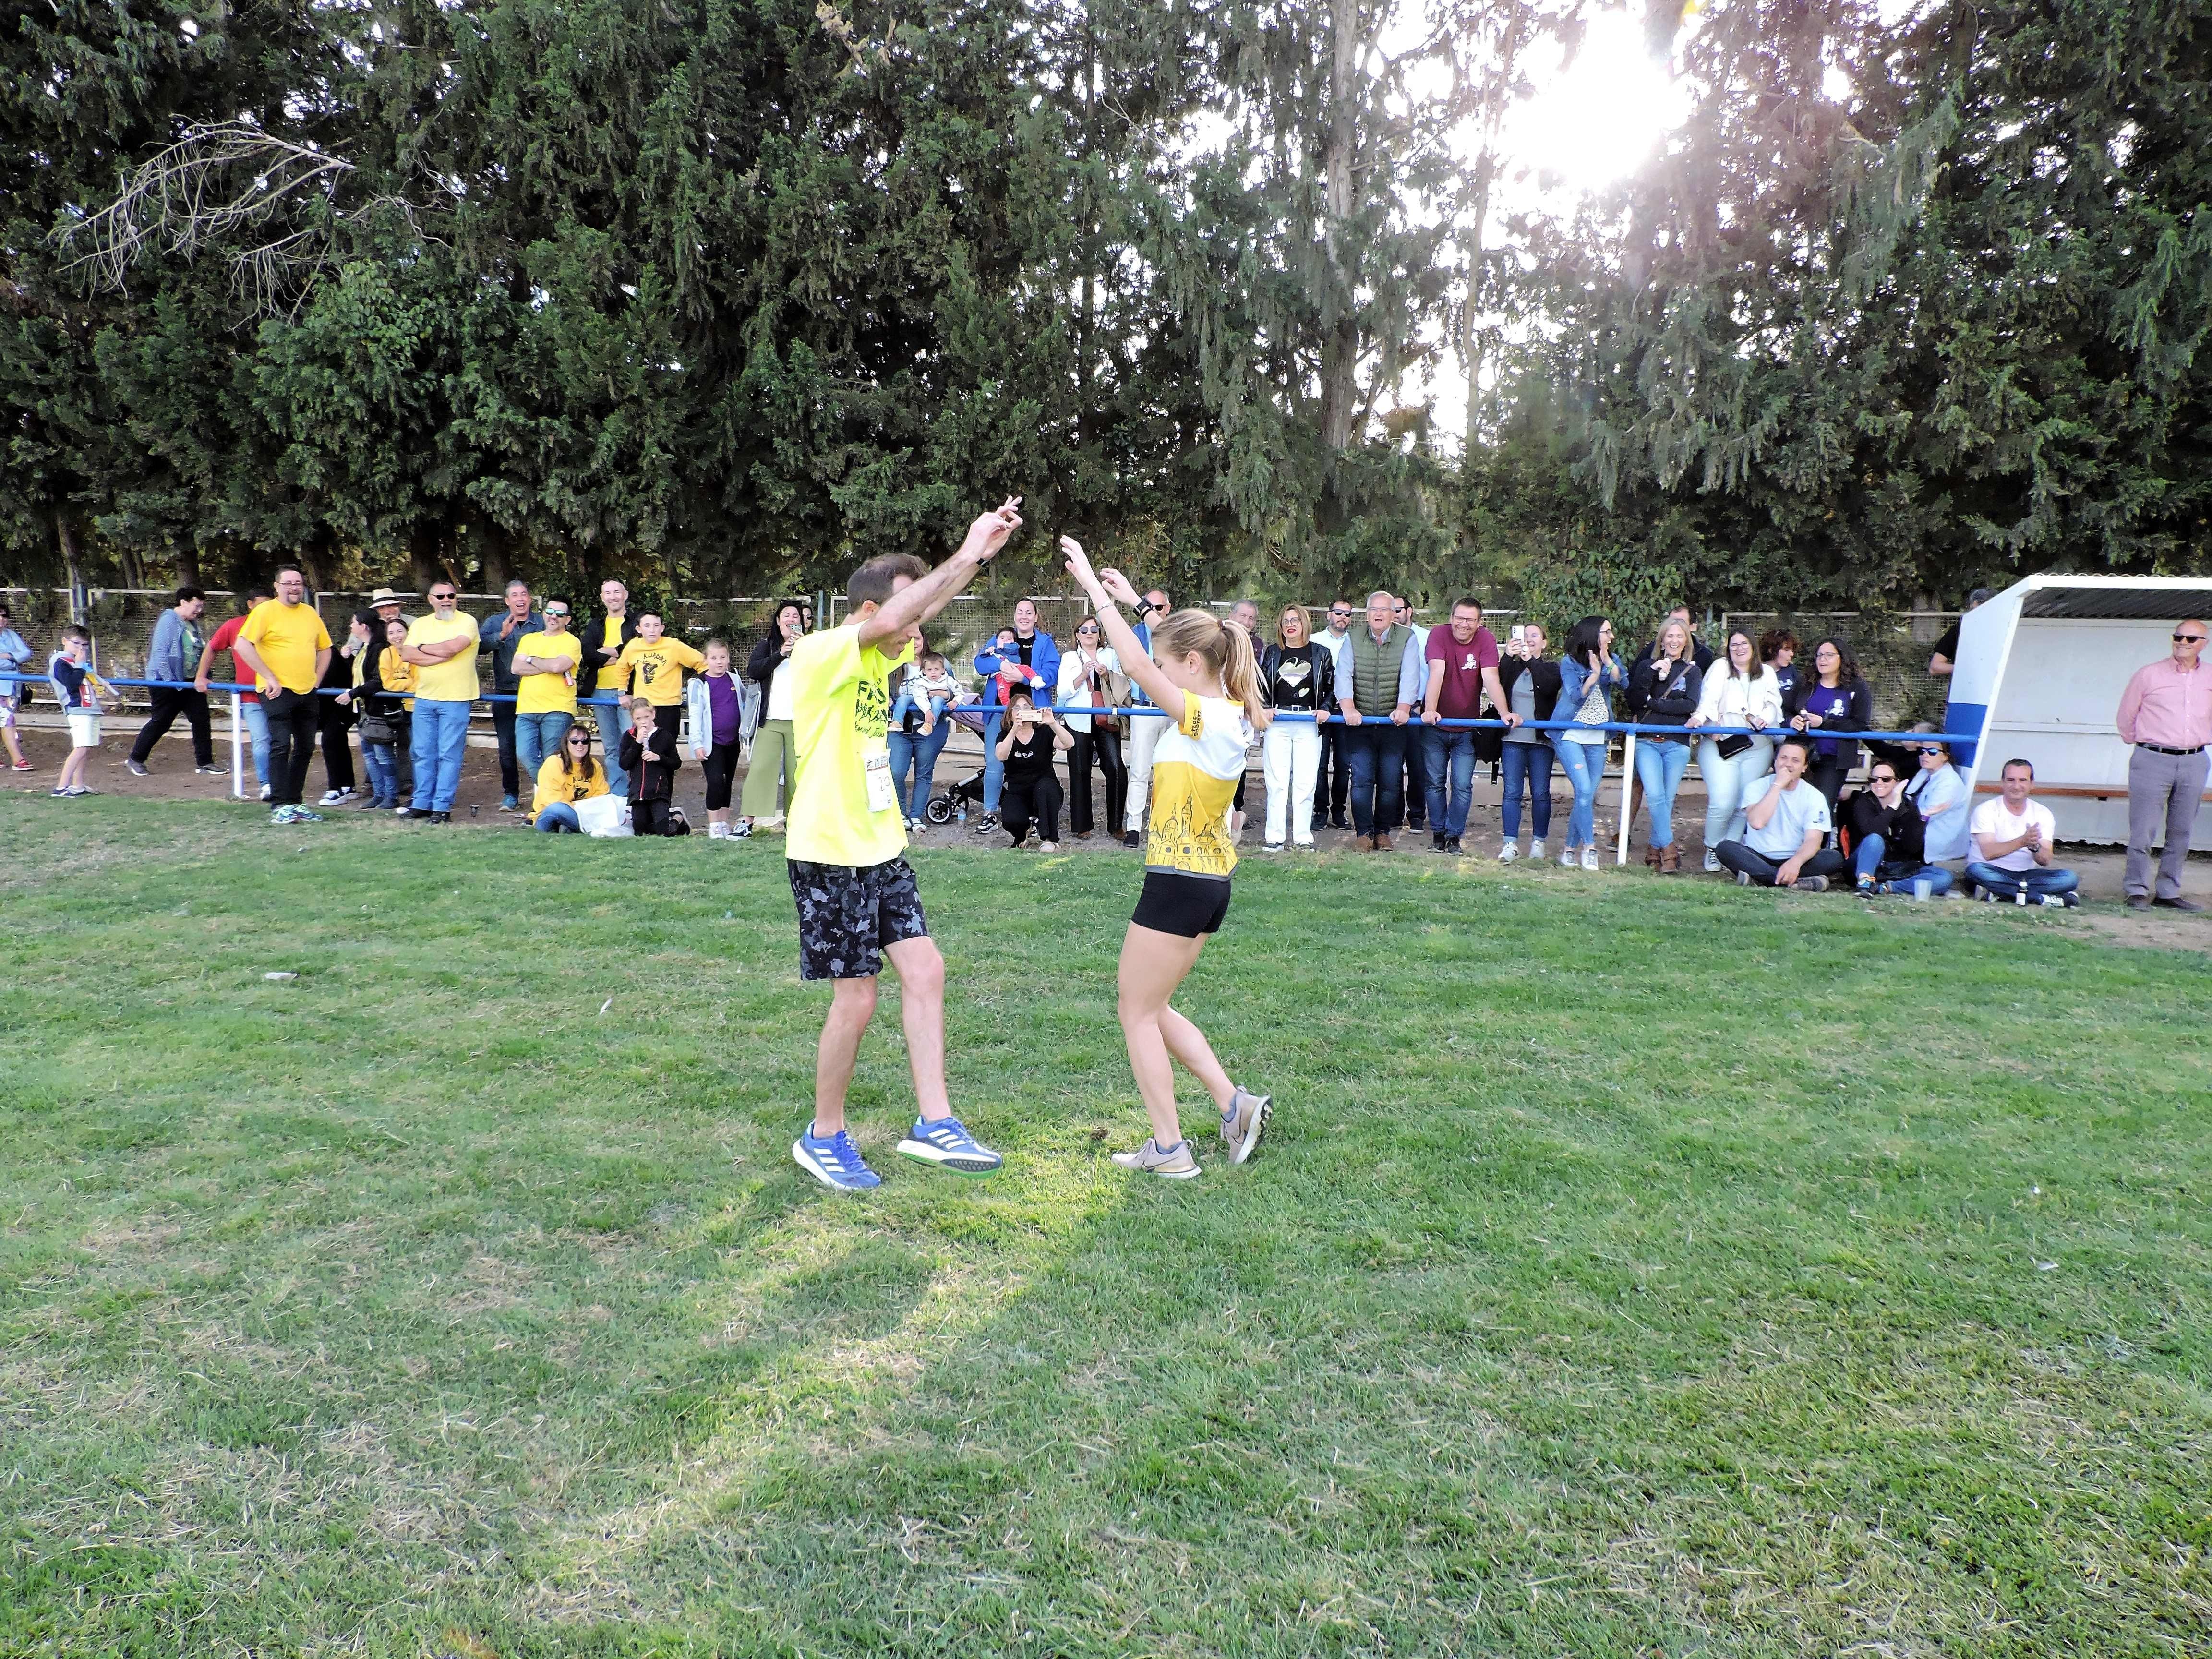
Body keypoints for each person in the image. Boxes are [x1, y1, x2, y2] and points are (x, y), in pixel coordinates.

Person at [783, 498, 1023, 1193]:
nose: (917, 631)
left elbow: (906, 614)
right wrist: (971, 551)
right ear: (866, 613)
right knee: (856, 999)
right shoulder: (824, 650)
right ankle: (823, 1136)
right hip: (829, 851)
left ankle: (935, 1124)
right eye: (906, 615)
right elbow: (895, 616)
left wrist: (972, 563)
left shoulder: (879, 662)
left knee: (926, 972)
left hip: (881, 847)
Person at [1058, 537, 1271, 1178]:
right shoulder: (1222, 709)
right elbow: (1170, 654)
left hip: (1181, 884)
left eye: (1166, 661)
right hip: (1203, 884)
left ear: (1194, 664)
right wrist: (1140, 605)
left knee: (1135, 1011)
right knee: (1153, 1007)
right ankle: (1235, 1106)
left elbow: (1145, 669)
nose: (1155, 669)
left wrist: (1098, 593)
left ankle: (1170, 1149)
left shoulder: (1206, 713)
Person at [2115, 618, 2210, 912]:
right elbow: (2126, 716)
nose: (2182, 642)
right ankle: (2137, 890)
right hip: (2152, 757)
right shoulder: (2149, 675)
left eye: (2190, 639)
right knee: (2143, 829)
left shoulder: (2210, 677)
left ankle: (2168, 892)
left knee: (2181, 831)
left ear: (2203, 645)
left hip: (2194, 760)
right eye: (2178, 637)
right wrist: (2144, 744)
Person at [234, 566, 334, 825]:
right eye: (288, 583)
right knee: (280, 745)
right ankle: (279, 804)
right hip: (277, 691)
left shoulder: (310, 613)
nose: (294, 588)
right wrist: (269, 677)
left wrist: (317, 680)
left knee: (305, 747)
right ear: (277, 586)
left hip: (306, 691)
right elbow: (243, 645)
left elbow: (325, 649)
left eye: (298, 583)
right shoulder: (264, 612)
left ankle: (295, 802)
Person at [1685, 629, 1784, 871]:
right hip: (1721, 745)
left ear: (1753, 647)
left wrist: (1763, 719)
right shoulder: (1720, 667)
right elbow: (1709, 697)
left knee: (1744, 802)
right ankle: (1713, 848)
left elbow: (1774, 703)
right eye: (1734, 645)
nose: (1739, 649)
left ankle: (1729, 852)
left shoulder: (1768, 673)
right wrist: (1700, 718)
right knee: (1722, 801)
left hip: (1757, 746)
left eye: (1743, 644)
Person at [1420, 598, 1513, 854]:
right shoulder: (1438, 635)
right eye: (1459, 618)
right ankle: (1438, 833)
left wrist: (1504, 712)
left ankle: (1454, 836)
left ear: (1479, 623)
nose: (1463, 624)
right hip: (1436, 725)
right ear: (1451, 618)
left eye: (1470, 620)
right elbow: (1437, 671)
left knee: (1462, 784)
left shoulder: (1486, 639)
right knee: (1434, 782)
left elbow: (1490, 677)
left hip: (1466, 727)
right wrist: (1430, 710)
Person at [1337, 590, 1422, 851]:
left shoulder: (1407, 638)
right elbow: (1344, 674)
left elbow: (1410, 675)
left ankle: (1383, 832)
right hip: (1360, 722)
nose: (1378, 614)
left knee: (1390, 781)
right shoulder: (1352, 637)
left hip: (1392, 723)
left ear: (1393, 614)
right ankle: (1363, 833)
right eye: (1374, 609)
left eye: (1384, 610)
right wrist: (1349, 709)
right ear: (1366, 613)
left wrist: (1403, 708)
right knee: (1361, 780)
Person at [972, 599, 1060, 835]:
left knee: (1036, 764)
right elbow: (980, 663)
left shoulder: (1045, 642)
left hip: (1033, 711)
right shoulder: (1002, 638)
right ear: (1014, 616)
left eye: (1029, 613)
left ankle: (1034, 814)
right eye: (1019, 612)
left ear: (1036, 617)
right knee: (995, 761)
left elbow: (1052, 673)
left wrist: (1022, 679)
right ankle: (989, 812)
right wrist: (1003, 668)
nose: (1024, 616)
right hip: (1000, 712)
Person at [397, 579, 479, 824]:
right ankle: (421, 803)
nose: (446, 600)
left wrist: (423, 649)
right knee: (422, 752)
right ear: (430, 599)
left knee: (448, 754)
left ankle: (442, 806)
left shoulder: (467, 622)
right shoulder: (421, 624)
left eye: (451, 595)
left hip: (457, 698)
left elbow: (455, 647)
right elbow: (407, 653)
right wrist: (438, 654)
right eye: (441, 596)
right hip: (424, 698)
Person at [1548, 614, 1625, 871]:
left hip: (1598, 737)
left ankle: (1569, 850)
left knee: (1586, 796)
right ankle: (1590, 849)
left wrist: (1605, 662)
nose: (1611, 637)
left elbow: (1622, 682)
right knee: (1583, 791)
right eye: (1607, 632)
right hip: (1570, 734)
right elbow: (1574, 696)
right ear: (1593, 634)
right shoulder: (1569, 662)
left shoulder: (1610, 659)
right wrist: (1593, 676)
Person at [1715, 735, 1843, 889]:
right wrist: (1777, 786)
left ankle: (1762, 878)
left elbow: (1813, 841)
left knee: (1833, 858)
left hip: (1797, 859)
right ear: (1775, 762)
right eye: (1783, 758)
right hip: (1759, 856)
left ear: (1804, 767)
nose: (1788, 764)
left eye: (1796, 761)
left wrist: (1795, 863)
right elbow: (1757, 823)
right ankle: (1795, 883)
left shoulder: (1814, 796)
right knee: (1725, 848)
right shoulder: (1756, 787)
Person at [1625, 617, 1702, 872]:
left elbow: (1689, 706)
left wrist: (1654, 703)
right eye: (1669, 636)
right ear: (1662, 639)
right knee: (1656, 795)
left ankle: (1654, 849)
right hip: (1647, 742)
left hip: (1677, 743)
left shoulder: (1692, 671)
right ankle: (1668, 850)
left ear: (1686, 641)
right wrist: (1651, 673)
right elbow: (1635, 701)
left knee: (1667, 799)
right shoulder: (1647, 665)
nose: (1674, 641)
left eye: (1680, 637)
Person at [1258, 603, 1334, 850]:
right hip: (1278, 721)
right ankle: (1275, 837)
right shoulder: (1272, 653)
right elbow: (1260, 684)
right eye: (1286, 621)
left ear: (1305, 623)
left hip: (1308, 722)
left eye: (1295, 620)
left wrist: (1325, 708)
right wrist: (1264, 707)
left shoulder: (1320, 653)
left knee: (1305, 781)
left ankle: (1303, 836)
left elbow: (1331, 687)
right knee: (1277, 782)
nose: (1290, 625)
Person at [126, 585, 218, 776]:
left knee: (201, 720)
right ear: (183, 602)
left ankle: (205, 762)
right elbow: (160, 654)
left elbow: (197, 652)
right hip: (165, 682)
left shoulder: (192, 624)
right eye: (197, 606)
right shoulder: (168, 621)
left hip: (190, 682)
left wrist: (203, 676)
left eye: (202, 607)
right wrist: (171, 682)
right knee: (162, 721)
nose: (199, 611)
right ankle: (136, 758)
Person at [196, 586, 276, 798]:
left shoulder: (280, 625)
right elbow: (212, 647)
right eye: (262, 605)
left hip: (280, 693)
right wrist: (201, 676)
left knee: (281, 740)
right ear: (250, 605)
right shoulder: (235, 626)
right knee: (261, 740)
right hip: (251, 696)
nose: (266, 610)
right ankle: (267, 784)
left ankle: (282, 781)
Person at [1966, 758, 2080, 906]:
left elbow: (2045, 861)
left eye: (2023, 780)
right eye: (2011, 780)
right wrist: (2022, 841)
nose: (2016, 786)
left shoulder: (2042, 813)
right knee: (1975, 871)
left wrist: (2035, 847)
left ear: (2032, 784)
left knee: (2069, 878)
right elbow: (1989, 853)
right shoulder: (1986, 810)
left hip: (2026, 875)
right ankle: (2040, 898)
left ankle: (2000, 893)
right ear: (2003, 782)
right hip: (1991, 870)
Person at [1056, 619, 1126, 838]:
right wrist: (1082, 676)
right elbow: (1063, 692)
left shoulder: (1110, 655)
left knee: (1116, 768)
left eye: (1094, 630)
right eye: (1084, 630)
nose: (1089, 633)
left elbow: (1124, 684)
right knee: (1079, 770)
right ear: (1077, 635)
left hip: (1106, 718)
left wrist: (1106, 674)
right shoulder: (1069, 658)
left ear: (1099, 633)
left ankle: (1116, 825)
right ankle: (1082, 825)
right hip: (1078, 719)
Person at [742, 599, 807, 832]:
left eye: (796, 616)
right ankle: (747, 823)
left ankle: (795, 823)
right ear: (778, 621)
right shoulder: (767, 646)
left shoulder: (810, 647)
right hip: (769, 720)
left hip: (801, 723)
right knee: (761, 769)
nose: (792, 619)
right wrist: (781, 653)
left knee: (797, 775)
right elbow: (754, 671)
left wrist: (802, 651)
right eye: (786, 615)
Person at [1841, 758, 1953, 895]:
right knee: (1874, 840)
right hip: (1862, 865)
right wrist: (1893, 806)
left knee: (1944, 878)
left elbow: (1912, 847)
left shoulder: (1908, 807)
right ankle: (1865, 883)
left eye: (1886, 779)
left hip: (1896, 867)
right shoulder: (1863, 802)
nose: (1879, 783)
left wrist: (1923, 818)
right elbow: (1872, 831)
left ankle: (1886, 888)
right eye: (1874, 779)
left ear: (1898, 783)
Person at [479, 579, 543, 810]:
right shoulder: (496, 622)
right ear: (507, 601)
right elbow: (478, 646)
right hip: (505, 695)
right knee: (507, 747)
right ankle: (511, 795)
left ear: (530, 598)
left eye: (524, 594)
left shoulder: (543, 623)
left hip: (538, 693)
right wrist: (502, 635)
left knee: (544, 747)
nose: (520, 599)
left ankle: (545, 792)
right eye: (515, 595)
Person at [1497, 624, 1559, 862]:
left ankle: (1539, 843)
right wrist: (1508, 656)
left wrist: (1530, 661)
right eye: (1525, 635)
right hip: (1512, 740)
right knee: (1512, 792)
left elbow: (1548, 687)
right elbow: (1498, 684)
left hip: (1541, 742)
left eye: (1535, 636)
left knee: (1541, 793)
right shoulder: (1512, 666)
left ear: (1544, 643)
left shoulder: (1552, 667)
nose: (1529, 639)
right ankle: (1510, 843)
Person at [1790, 637, 1873, 809]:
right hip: (1801, 754)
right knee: (1794, 806)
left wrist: (1824, 724)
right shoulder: (1805, 684)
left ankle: (1821, 837)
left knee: (1821, 808)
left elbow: (1860, 723)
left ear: (1842, 658)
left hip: (1834, 759)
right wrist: (1792, 721)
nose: (1823, 659)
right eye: (1819, 655)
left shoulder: (1857, 687)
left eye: (1829, 655)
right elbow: (1786, 710)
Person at [890, 649, 966, 830]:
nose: (914, 643)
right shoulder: (893, 663)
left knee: (924, 773)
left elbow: (954, 691)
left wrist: (947, 696)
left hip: (928, 730)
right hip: (902, 730)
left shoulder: (940, 663)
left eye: (918, 638)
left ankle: (916, 816)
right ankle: (901, 814)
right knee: (897, 772)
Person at [1121, 586, 1173, 847]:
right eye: (1148, 608)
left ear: (1169, 609)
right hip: (1144, 707)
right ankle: (1133, 826)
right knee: (1140, 770)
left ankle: (1164, 825)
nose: (1153, 612)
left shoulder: (1178, 633)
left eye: (1158, 608)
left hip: (1174, 709)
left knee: (1170, 771)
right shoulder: (1136, 633)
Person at [510, 599, 581, 786]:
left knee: (553, 759)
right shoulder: (529, 639)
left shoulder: (572, 642)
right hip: (526, 709)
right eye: (550, 611)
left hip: (558, 709)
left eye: (560, 614)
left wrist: (531, 659)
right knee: (524, 754)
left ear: (568, 620)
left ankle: (550, 798)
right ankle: (551, 792)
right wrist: (549, 666)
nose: (553, 617)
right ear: (543, 613)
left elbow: (559, 666)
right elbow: (516, 668)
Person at [348, 614, 413, 810]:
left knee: (383, 754)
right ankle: (379, 793)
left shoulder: (379, 649)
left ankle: (391, 795)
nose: (350, 626)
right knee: (369, 754)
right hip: (364, 709)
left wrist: (353, 693)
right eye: (391, 632)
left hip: (380, 709)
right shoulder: (364, 650)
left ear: (363, 625)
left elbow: (379, 682)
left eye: (353, 622)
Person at [996, 688, 1072, 849]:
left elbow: (1069, 744)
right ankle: (1022, 835)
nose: (1022, 711)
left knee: (1044, 787)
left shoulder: (1044, 732)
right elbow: (1001, 755)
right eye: (1017, 708)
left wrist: (1053, 723)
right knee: (1011, 820)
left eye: (1027, 707)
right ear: (1010, 713)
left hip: (1045, 789)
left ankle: (1050, 840)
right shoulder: (1005, 735)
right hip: (1018, 790)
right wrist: (1014, 731)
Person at [613, 609, 707, 737]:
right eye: (647, 626)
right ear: (639, 629)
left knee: (666, 748)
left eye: (656, 626)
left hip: (668, 706)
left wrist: (702, 687)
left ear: (662, 628)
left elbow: (703, 663)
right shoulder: (633, 646)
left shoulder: (674, 646)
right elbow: (622, 668)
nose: (652, 630)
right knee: (642, 746)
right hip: (643, 706)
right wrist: (622, 692)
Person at [686, 638, 746, 839]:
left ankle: (724, 822)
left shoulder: (734, 679)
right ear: (706, 660)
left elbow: (745, 701)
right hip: (712, 742)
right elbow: (695, 715)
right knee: (715, 781)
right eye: (714, 658)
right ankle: (713, 825)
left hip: (733, 741)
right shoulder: (699, 684)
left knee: (728, 781)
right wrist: (696, 744)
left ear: (729, 659)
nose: (719, 662)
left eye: (723, 657)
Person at [46, 626, 111, 797]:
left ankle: (78, 785)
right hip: (77, 709)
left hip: (89, 708)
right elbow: (72, 683)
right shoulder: (60, 662)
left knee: (85, 747)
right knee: (80, 748)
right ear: (65, 642)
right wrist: (81, 666)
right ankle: (61, 787)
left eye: (84, 645)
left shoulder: (78, 663)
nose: (80, 649)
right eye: (76, 644)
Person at [1901, 727, 1972, 866]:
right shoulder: (1925, 772)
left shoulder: (1949, 782)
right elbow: (1907, 798)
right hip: (1919, 831)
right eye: (1922, 751)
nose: (1925, 755)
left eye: (1932, 752)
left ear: (1946, 756)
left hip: (1936, 840)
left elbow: (1925, 816)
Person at [1313, 598, 1355, 830]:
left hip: (1347, 711)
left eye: (1347, 614)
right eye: (1338, 612)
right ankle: (1320, 811)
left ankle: (1339, 812)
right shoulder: (1314, 641)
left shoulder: (1357, 642)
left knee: (1343, 764)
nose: (1343, 617)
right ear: (1329, 614)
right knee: (1318, 765)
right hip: (1320, 710)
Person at [314, 612, 363, 805]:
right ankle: (347, 786)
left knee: (330, 740)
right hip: (327, 706)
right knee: (336, 741)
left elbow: (332, 678)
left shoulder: (329, 652)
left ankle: (335, 788)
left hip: (344, 703)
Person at [1391, 596, 1429, 830]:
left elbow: (1435, 674)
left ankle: (1416, 815)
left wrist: (1428, 705)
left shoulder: (1426, 637)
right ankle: (1393, 815)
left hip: (1417, 711)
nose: (1393, 614)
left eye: (1397, 609)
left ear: (1410, 611)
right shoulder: (1383, 638)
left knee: (1417, 766)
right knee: (1391, 765)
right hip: (1390, 711)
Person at [620, 698, 684, 836]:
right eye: (638, 718)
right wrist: (637, 743)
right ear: (633, 719)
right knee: (639, 829)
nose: (643, 722)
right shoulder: (629, 737)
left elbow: (676, 763)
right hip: (638, 793)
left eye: (646, 717)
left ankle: (678, 819)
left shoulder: (664, 736)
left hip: (658, 791)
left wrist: (659, 758)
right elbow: (624, 764)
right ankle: (655, 821)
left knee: (663, 830)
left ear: (653, 715)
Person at [533, 723, 609, 831]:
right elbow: (551, 800)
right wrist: (579, 810)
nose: (580, 745)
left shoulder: (594, 765)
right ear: (566, 744)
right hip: (550, 814)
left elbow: (601, 796)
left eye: (585, 741)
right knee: (557, 808)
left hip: (585, 813)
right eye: (574, 741)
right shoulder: (554, 762)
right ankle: (584, 827)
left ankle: (571, 827)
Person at [579, 578, 637, 701]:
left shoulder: (637, 623)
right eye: (608, 593)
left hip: (631, 690)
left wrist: (606, 651)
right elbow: (588, 656)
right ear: (602, 597)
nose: (613, 597)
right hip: (600, 690)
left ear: (625, 595)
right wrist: (621, 657)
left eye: (617, 592)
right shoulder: (596, 625)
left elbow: (637, 652)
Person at [1929, 588, 1994, 678]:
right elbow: (1935, 667)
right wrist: (1966, 669)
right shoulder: (1960, 630)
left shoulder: (2009, 628)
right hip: (1966, 686)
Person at [0, 601, 31, 770]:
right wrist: (11, 661)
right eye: (1, 615)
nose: (3, 619)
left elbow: (26, 653)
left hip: (12, 686)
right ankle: (18, 760)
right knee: (8, 720)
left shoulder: (10, 635)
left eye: (5, 615)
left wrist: (9, 656)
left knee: (5, 720)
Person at [1759, 628, 1802, 719]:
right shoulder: (1757, 673)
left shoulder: (1791, 671)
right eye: (1786, 650)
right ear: (1771, 650)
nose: (1792, 654)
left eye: (1792, 650)